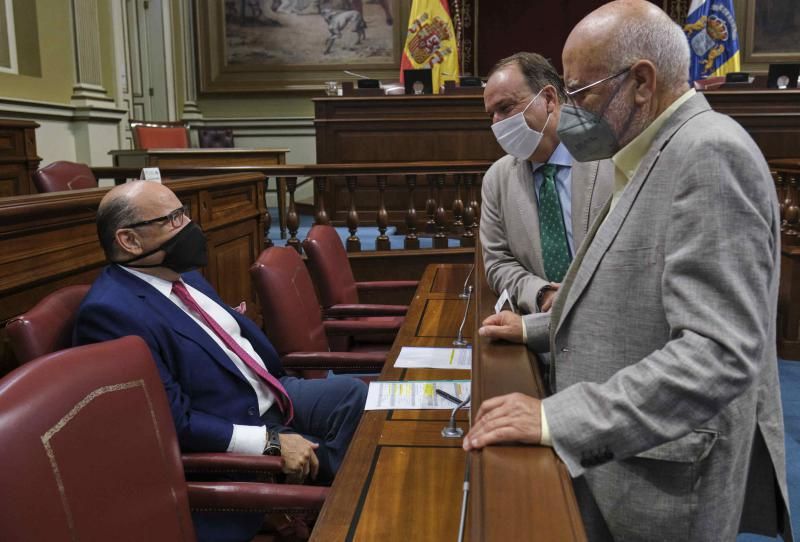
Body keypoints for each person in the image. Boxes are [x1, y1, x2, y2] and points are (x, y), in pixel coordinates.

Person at [464, 1, 792, 540]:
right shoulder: (642, 152)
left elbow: (715, 355)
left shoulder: (709, 153)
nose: (570, 111)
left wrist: (558, 419)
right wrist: (534, 327)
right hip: (623, 458)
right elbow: (627, 295)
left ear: (641, 82)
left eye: (580, 92)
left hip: (665, 476)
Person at [74, 180, 367, 542]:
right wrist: (271, 444)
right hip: (234, 418)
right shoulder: (111, 313)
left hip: (269, 389)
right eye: (173, 219)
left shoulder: (182, 275)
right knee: (351, 461)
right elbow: (172, 423)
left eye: (184, 213)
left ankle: (315, 489)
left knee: (353, 395)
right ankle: (330, 504)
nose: (190, 226)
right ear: (129, 241)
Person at [480, 52, 612, 314]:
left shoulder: (611, 157)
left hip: (610, 323)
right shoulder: (497, 179)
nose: (496, 123)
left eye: (505, 108)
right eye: (491, 115)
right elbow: (498, 263)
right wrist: (541, 294)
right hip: (538, 335)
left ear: (549, 99)